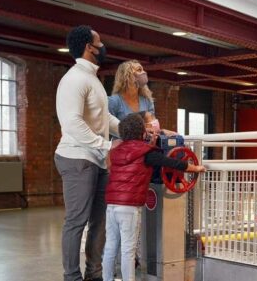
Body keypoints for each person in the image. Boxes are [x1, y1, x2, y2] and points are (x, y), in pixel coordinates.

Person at [102, 112, 206, 281]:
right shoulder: (147, 153)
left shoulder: (116, 151)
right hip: (129, 207)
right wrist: (195, 168)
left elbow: (126, 159)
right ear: (142, 131)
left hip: (112, 205)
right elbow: (171, 163)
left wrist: (150, 143)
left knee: (110, 247)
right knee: (128, 250)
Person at [55, 25, 120, 281]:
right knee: (76, 221)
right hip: (76, 158)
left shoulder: (93, 78)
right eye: (99, 42)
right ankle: (72, 277)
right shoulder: (74, 79)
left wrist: (130, 131)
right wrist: (106, 145)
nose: (103, 46)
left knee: (99, 222)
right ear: (89, 47)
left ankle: (94, 274)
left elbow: (104, 118)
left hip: (97, 159)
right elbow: (72, 123)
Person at [109, 60, 177, 137]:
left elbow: (152, 129)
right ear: (127, 75)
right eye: (139, 70)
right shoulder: (114, 101)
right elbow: (108, 127)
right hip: (121, 143)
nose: (144, 72)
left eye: (143, 70)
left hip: (143, 143)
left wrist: (162, 132)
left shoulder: (147, 100)